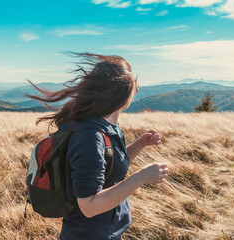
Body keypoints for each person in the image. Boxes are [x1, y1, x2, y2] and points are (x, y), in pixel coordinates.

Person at [26, 52, 169, 240]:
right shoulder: (90, 137)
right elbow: (89, 206)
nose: (137, 88)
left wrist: (140, 144)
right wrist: (139, 178)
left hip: (106, 232)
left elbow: (110, 166)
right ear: (120, 93)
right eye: (133, 84)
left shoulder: (107, 126)